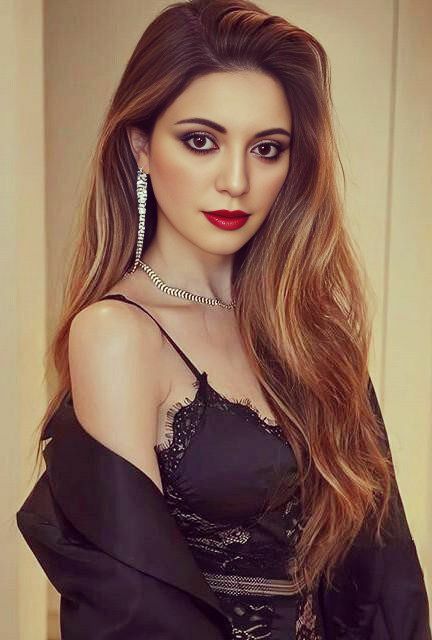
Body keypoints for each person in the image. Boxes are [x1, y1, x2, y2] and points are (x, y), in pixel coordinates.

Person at [16, 0, 431, 638]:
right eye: (201, 141)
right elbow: (135, 605)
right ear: (140, 147)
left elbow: (385, 570)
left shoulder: (310, 330)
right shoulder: (118, 335)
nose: (236, 180)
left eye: (267, 149)